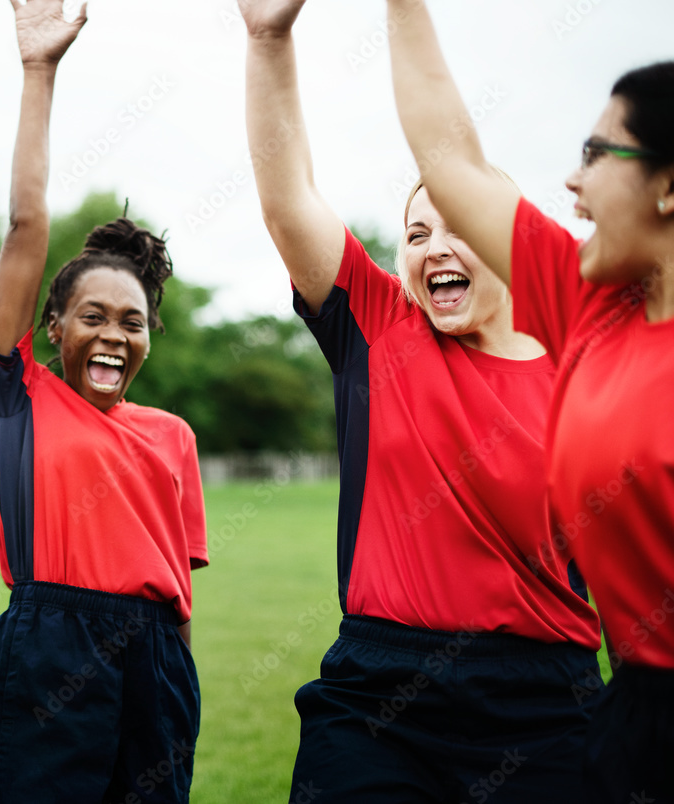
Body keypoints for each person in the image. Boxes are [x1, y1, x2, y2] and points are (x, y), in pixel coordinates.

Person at [237, 1, 606, 801]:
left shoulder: (583, 356)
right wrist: (268, 38)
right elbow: (286, 198)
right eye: (414, 233)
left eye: (456, 224)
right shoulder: (377, 326)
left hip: (545, 701)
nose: (434, 246)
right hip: (379, 695)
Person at [386, 2, 674, 801]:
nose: (572, 181)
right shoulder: (590, 306)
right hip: (633, 712)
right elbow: (451, 160)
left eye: (597, 154)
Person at [0, 2, 208, 802]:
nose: (113, 336)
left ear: (150, 336)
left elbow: (179, 597)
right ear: (52, 327)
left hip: (157, 664)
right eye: (93, 318)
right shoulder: (16, 398)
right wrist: (41, 72)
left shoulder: (173, 435)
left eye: (132, 322)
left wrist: (172, 679)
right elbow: (27, 225)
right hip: (48, 649)